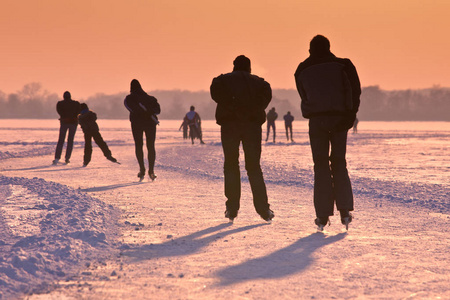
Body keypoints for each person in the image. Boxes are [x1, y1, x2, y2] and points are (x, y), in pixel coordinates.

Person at [294, 35, 361, 231]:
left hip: (317, 121)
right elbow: (355, 91)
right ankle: (345, 211)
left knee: (320, 164)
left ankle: (322, 215)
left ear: (310, 49)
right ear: (329, 47)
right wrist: (350, 115)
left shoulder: (302, 69)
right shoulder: (343, 65)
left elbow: (303, 93)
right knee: (339, 162)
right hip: (340, 119)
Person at [210, 55, 274, 222]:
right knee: (253, 167)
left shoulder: (222, 81)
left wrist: (232, 106)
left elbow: (215, 91)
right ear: (249, 67)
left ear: (234, 66)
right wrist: (250, 109)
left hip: (230, 126)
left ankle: (232, 208)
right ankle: (263, 209)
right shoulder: (260, 83)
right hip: (252, 127)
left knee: (231, 164)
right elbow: (266, 95)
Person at [124, 79, 161, 181]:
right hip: (150, 124)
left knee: (138, 145)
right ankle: (151, 171)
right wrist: (149, 112)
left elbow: (132, 108)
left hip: (137, 124)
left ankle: (142, 169)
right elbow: (158, 110)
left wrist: (143, 112)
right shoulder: (151, 98)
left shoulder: (129, 98)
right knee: (151, 146)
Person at [53, 91, 81, 165]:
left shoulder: (60, 104)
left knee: (61, 140)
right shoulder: (76, 104)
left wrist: (64, 117)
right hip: (73, 123)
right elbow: (79, 111)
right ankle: (67, 158)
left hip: (64, 123)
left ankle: (57, 158)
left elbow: (59, 111)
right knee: (70, 141)